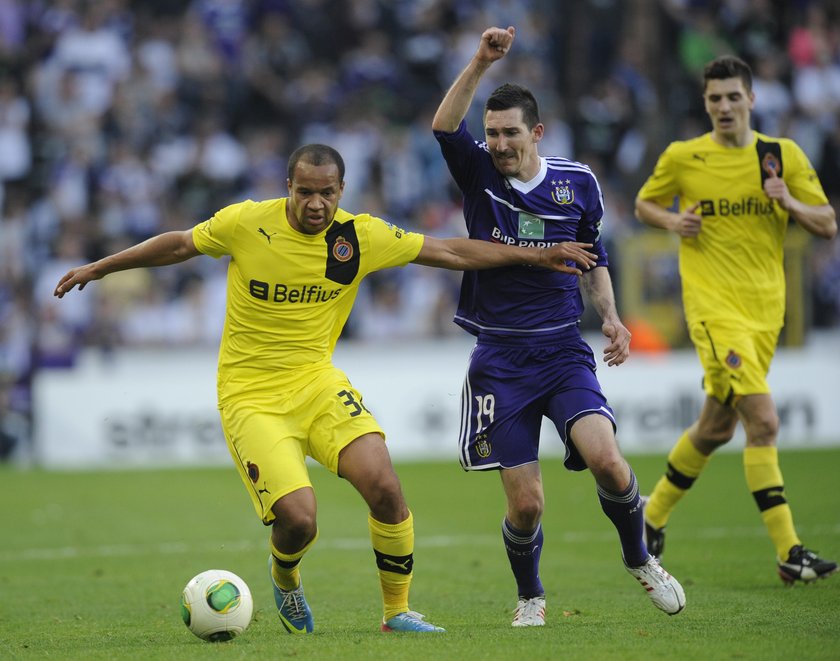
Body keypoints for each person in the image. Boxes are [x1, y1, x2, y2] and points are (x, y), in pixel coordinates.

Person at [54, 143, 602, 635]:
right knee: (300, 518)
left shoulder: (359, 236)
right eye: (305, 192)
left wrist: (537, 255)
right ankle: (285, 576)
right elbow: (179, 245)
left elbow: (453, 252)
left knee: (385, 487)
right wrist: (100, 268)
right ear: (287, 188)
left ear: (342, 191)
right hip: (250, 395)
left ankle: (397, 612)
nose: (316, 204)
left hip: (317, 383)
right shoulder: (247, 223)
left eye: (327, 193)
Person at [431, 26, 685, 627]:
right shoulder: (479, 176)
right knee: (527, 505)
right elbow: (444, 126)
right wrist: (478, 62)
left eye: (509, 132)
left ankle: (640, 560)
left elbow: (592, 262)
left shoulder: (579, 185)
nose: (497, 143)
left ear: (536, 132)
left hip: (562, 351)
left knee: (609, 462)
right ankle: (530, 597)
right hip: (499, 360)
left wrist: (614, 319)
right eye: (491, 133)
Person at [634, 55, 838, 584]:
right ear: (705, 104)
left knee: (716, 426)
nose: (723, 107)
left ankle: (649, 516)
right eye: (713, 99)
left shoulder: (781, 156)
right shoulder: (684, 157)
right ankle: (790, 550)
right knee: (764, 422)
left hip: (766, 310)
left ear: (751, 99)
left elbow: (828, 224)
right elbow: (643, 205)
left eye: (732, 97)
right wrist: (674, 219)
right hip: (713, 308)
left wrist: (788, 200)